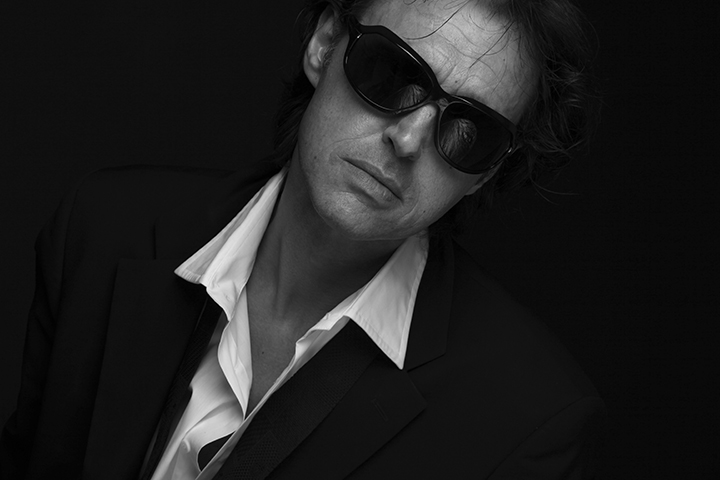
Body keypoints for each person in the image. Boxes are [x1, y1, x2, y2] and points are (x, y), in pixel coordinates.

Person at [1, 0, 604, 478]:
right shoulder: (103, 230)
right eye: (394, 73)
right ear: (324, 43)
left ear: (489, 172)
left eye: (470, 129)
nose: (408, 140)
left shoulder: (525, 417)